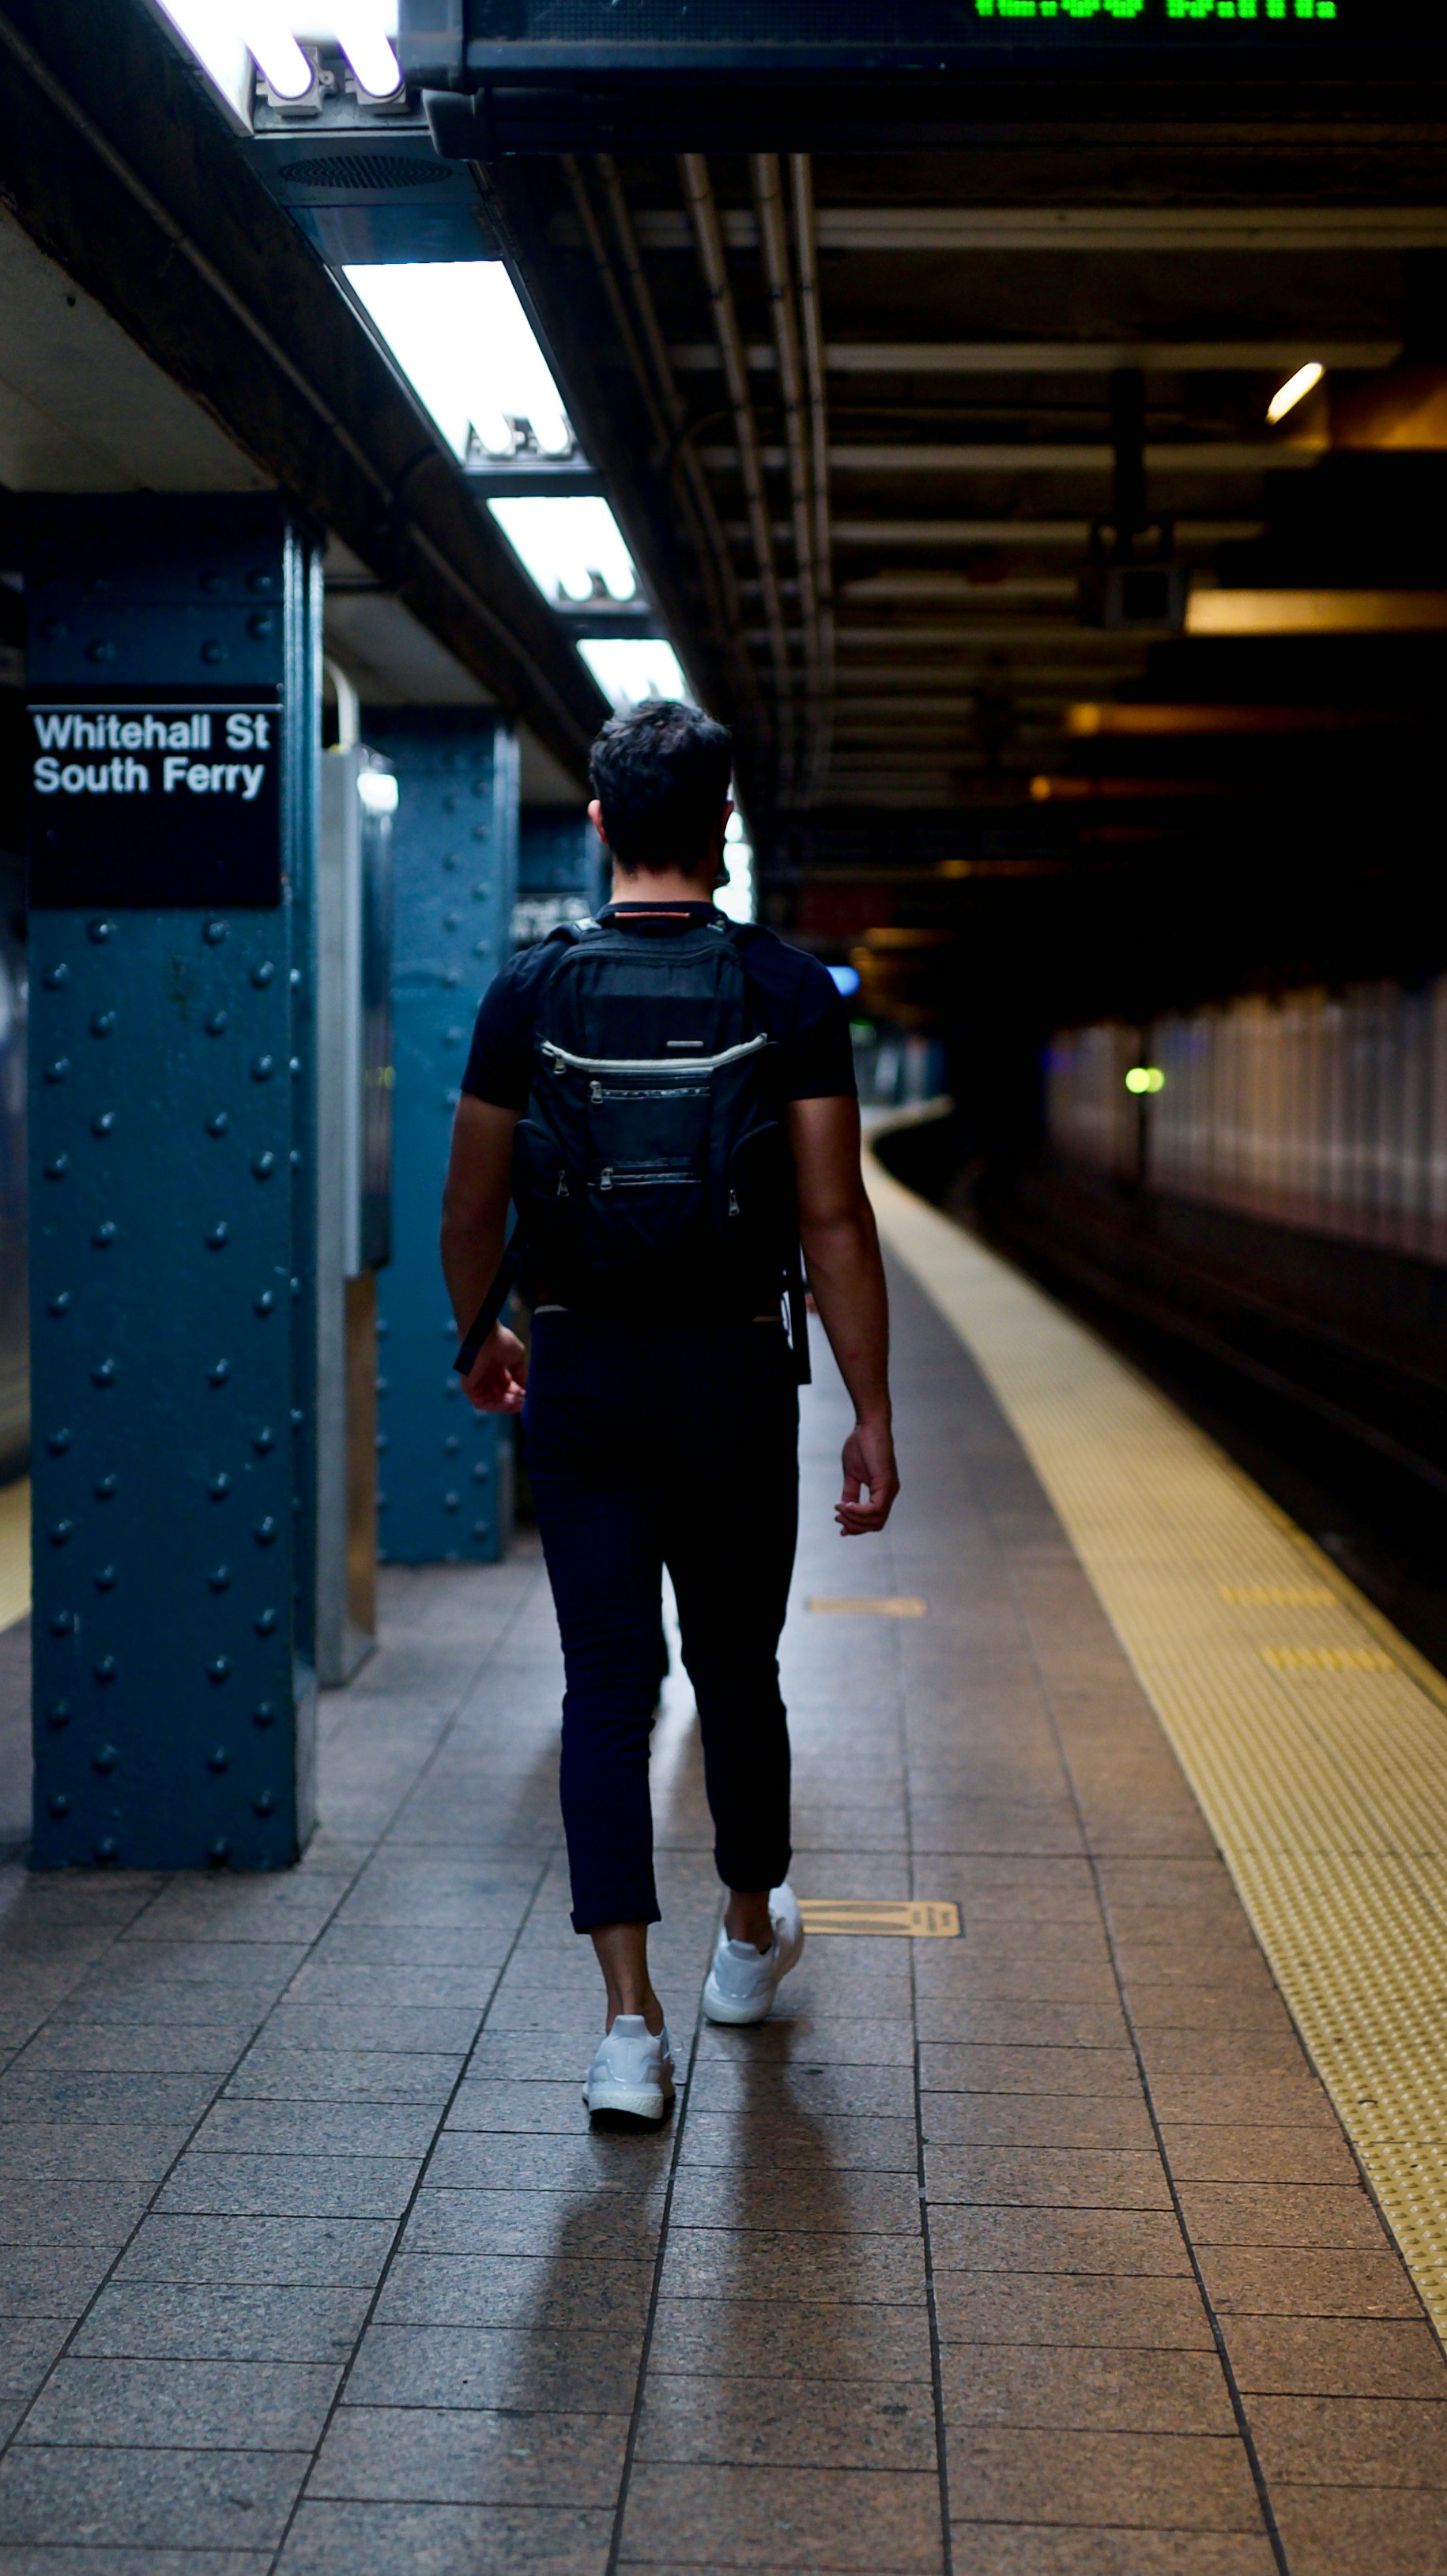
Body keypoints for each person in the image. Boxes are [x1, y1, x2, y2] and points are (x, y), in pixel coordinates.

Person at [439, 699, 899, 2122]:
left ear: (596, 827)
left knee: (602, 1692)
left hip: (579, 1377)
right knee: (738, 1671)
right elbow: (832, 1221)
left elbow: (470, 1209)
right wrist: (870, 1411)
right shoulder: (788, 993)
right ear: (719, 830)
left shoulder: (529, 992)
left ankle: (626, 2029)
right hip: (733, 1379)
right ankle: (746, 1944)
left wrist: (481, 1338)